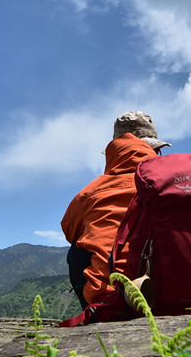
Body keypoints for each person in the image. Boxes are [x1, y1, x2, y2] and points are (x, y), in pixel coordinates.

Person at [61, 111, 170, 308]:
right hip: (176, 292)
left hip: (112, 302)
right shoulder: (175, 183)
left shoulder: (91, 192)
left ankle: (94, 313)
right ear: (154, 151)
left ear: (116, 151)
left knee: (77, 251)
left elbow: (69, 232)